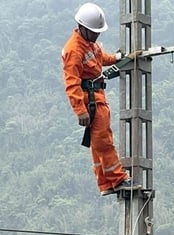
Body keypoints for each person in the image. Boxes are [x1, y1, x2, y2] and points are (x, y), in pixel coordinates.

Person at [62, 3, 141, 196]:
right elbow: (71, 83)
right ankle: (118, 179)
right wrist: (80, 110)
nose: (97, 35)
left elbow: (99, 58)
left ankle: (106, 182)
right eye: (93, 32)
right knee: (103, 142)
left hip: (97, 98)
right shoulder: (74, 49)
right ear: (82, 27)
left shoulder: (89, 44)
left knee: (98, 143)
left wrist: (118, 58)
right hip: (90, 101)